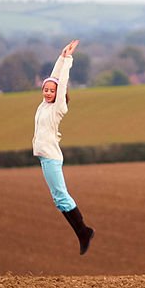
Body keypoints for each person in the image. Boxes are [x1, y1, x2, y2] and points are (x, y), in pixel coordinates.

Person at [33, 38, 95, 255]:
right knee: (59, 201)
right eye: (45, 90)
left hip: (51, 157)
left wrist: (67, 61)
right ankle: (83, 232)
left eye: (52, 91)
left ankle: (84, 232)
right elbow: (54, 77)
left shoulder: (58, 108)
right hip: (45, 158)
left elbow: (61, 81)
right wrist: (61, 56)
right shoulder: (43, 105)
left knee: (61, 197)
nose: (48, 93)